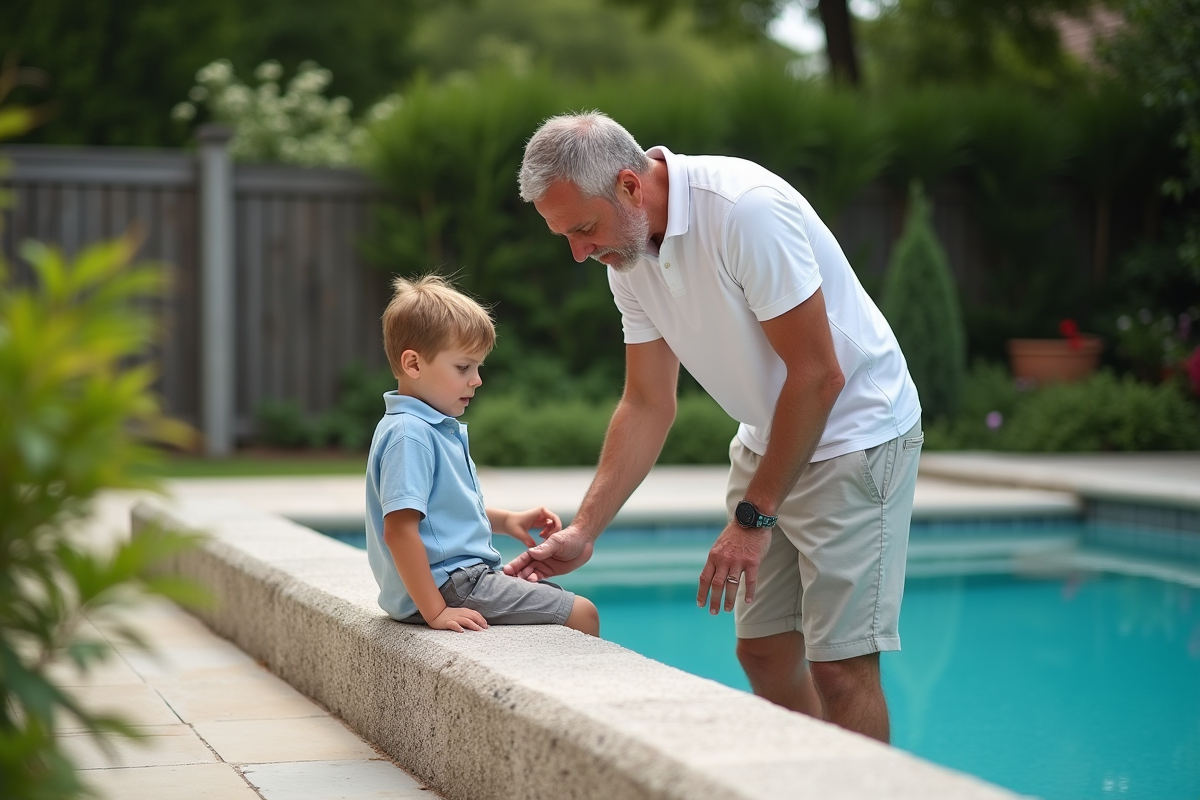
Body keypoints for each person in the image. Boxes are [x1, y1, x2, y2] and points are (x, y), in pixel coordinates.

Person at [507, 112, 922, 741]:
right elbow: (648, 401)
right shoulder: (629, 254)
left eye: (583, 229)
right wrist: (586, 529)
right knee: (762, 650)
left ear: (629, 185)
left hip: (854, 435)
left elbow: (818, 376)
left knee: (840, 668)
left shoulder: (744, 211)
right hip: (768, 435)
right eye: (563, 235)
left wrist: (752, 519)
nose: (578, 251)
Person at [365, 274, 599, 636]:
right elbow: (398, 530)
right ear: (413, 364)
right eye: (463, 367)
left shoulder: (426, 427)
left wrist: (507, 521)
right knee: (582, 614)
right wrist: (437, 611)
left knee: (554, 601)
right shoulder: (410, 434)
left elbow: (440, 515)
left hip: (453, 581)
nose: (476, 380)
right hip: (450, 586)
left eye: (478, 368)